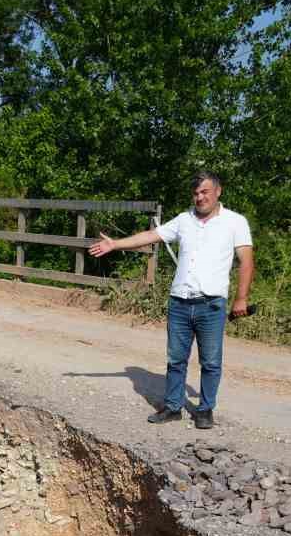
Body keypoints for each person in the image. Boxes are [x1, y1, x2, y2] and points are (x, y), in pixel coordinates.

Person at [89, 171, 253, 429]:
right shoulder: (184, 220)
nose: (200, 198)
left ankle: (205, 409)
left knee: (210, 361)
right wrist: (116, 244)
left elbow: (246, 261)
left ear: (218, 191)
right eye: (196, 193)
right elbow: (150, 236)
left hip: (211, 305)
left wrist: (241, 299)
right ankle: (173, 406)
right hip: (179, 302)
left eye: (205, 192)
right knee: (176, 359)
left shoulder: (235, 222)